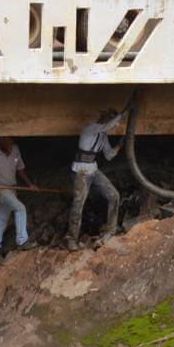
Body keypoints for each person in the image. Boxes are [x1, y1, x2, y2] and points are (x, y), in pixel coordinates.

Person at [65, 103, 131, 251]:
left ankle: (110, 231)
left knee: (114, 195)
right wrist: (124, 113)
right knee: (78, 203)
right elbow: (107, 126)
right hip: (81, 171)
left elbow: (108, 155)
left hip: (93, 169)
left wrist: (119, 146)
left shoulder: (103, 135)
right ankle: (71, 239)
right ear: (104, 118)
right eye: (110, 120)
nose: (111, 124)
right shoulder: (90, 128)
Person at [0, 137, 38, 262]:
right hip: (0, 189)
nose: (10, 144)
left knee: (3, 218)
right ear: (0, 140)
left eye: (11, 140)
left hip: (12, 188)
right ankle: (22, 241)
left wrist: (29, 184)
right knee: (20, 208)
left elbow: (20, 168)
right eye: (7, 141)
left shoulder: (15, 149)